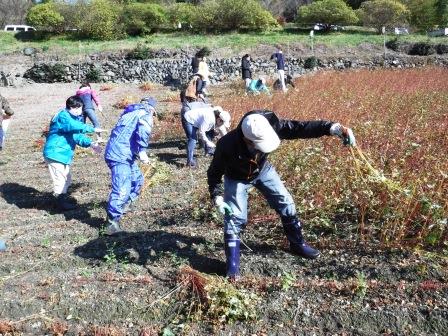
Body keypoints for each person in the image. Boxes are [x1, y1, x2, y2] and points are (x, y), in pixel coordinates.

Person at [207, 111, 356, 278]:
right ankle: (232, 267)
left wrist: (332, 128)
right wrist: (217, 197)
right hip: (236, 179)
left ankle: (297, 244)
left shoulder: (267, 123)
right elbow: (214, 174)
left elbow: (300, 128)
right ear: (247, 140)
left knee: (286, 202)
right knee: (235, 217)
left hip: (263, 171)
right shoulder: (226, 145)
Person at [104, 97, 157, 235]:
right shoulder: (145, 113)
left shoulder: (130, 112)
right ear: (152, 108)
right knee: (122, 188)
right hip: (120, 156)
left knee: (137, 181)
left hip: (124, 155)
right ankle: (111, 223)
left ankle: (121, 207)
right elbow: (144, 130)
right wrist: (142, 150)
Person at [43, 96, 105, 211]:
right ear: (71, 107)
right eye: (77, 108)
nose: (79, 111)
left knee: (67, 178)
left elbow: (76, 135)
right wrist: (92, 129)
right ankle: (58, 205)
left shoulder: (73, 118)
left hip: (63, 153)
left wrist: (91, 143)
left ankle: (61, 200)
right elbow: (72, 126)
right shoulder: (63, 116)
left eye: (80, 108)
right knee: (60, 179)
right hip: (55, 152)